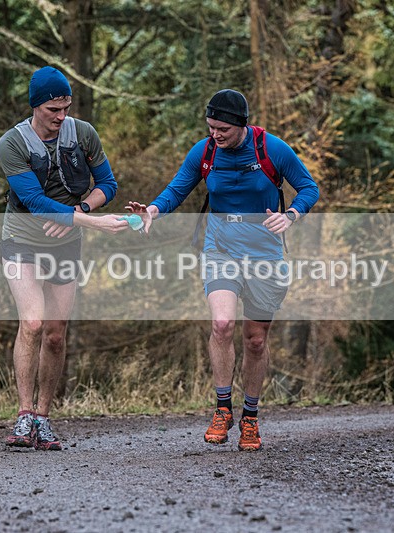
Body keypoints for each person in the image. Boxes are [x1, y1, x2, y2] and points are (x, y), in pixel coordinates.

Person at [127, 89, 319, 451]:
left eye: (223, 129)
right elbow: (176, 190)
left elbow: (309, 187)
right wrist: (152, 211)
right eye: (211, 126)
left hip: (264, 253)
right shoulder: (205, 152)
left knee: (256, 340)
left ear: (241, 125)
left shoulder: (271, 149)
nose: (215, 134)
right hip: (220, 248)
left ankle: (250, 416)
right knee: (221, 324)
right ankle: (221, 408)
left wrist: (291, 215)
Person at [0, 66, 128, 451]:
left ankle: (43, 417)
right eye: (53, 109)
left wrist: (81, 211)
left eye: (65, 108)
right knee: (33, 322)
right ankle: (23, 418)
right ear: (36, 106)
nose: (60, 116)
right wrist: (91, 223)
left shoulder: (83, 134)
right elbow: (35, 202)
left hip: (66, 243)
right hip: (21, 239)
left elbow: (108, 184)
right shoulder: (12, 143)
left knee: (55, 334)